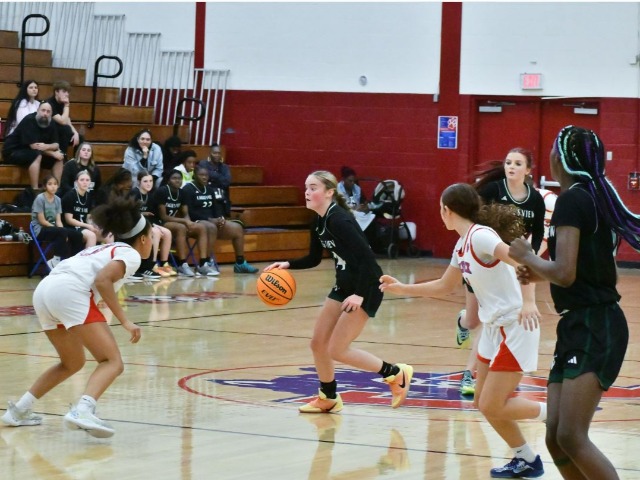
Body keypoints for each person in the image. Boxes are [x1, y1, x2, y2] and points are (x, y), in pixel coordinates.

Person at [380, 182, 547, 478]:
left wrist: (529, 301)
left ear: (447, 210)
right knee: (483, 402)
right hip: (493, 329)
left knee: (493, 404)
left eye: (440, 209)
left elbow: (524, 260)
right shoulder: (462, 244)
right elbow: (444, 286)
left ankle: (556, 414)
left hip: (514, 326)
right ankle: (527, 459)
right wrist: (403, 288)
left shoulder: (481, 236)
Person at [509, 125, 637, 479]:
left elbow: (565, 273)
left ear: (562, 158)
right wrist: (538, 272)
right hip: (579, 323)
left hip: (596, 325)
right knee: (555, 436)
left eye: (554, 148)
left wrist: (527, 256)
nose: (550, 154)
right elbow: (597, 270)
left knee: (570, 435)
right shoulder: (591, 198)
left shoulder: (573, 200)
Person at [264, 170, 413, 413]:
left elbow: (368, 260)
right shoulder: (318, 221)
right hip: (343, 286)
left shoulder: (339, 220)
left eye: (313, 188)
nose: (307, 192)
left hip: (366, 286)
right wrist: (288, 264)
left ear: (329, 192)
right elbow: (314, 258)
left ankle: (395, 373)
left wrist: (359, 295)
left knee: (338, 349)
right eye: (306, 187)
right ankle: (329, 397)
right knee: (318, 343)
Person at [1, 196, 150, 438]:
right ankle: (83, 410)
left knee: (72, 362)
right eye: (152, 237)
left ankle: (19, 410)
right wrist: (124, 320)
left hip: (45, 291)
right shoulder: (130, 254)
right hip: (69, 292)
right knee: (112, 362)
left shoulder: (101, 248)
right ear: (143, 239)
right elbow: (103, 280)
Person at [456, 148, 546, 396]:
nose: (511, 167)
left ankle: (470, 374)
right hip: (484, 260)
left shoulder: (535, 199)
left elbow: (538, 232)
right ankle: (463, 320)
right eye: (508, 162)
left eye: (517, 163)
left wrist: (531, 256)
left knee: (491, 320)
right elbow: (471, 218)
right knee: (473, 321)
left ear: (528, 170)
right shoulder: (492, 190)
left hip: (511, 264)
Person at [183, 165, 258, 274]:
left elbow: (215, 208)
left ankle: (240, 263)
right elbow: (189, 212)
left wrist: (220, 218)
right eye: (201, 175)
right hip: (196, 222)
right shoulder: (187, 189)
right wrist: (209, 219)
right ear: (195, 175)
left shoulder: (209, 189)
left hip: (211, 222)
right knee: (211, 227)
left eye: (206, 175)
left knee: (237, 228)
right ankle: (204, 263)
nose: (204, 177)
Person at [153, 169, 213, 277]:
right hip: (160, 223)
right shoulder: (162, 191)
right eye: (174, 178)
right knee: (181, 227)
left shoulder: (182, 193)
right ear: (168, 180)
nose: (178, 181)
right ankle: (182, 264)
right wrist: (184, 221)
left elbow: (185, 213)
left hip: (174, 223)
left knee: (201, 227)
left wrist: (189, 223)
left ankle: (203, 263)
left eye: (179, 178)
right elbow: (164, 217)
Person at [2, 101, 65, 191]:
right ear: (37, 110)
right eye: (43, 110)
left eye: (48, 111)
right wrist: (52, 153)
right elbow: (34, 146)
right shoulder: (29, 120)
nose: (45, 114)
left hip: (31, 151)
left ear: (51, 114)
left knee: (59, 158)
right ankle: (35, 190)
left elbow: (56, 144)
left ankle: (56, 190)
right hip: (13, 151)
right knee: (37, 155)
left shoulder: (51, 122)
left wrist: (46, 146)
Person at [31, 175, 84, 270]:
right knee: (62, 232)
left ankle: (74, 263)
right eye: (50, 184)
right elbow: (42, 221)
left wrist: (63, 231)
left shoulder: (58, 200)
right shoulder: (40, 198)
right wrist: (61, 231)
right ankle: (55, 261)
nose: (53, 186)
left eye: (55, 184)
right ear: (45, 186)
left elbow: (58, 221)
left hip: (54, 230)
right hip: (40, 230)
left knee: (78, 235)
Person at [130, 170, 175, 278]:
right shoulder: (134, 194)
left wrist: (156, 224)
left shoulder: (151, 195)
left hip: (147, 223)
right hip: (134, 225)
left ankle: (164, 263)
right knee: (155, 232)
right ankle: (152, 264)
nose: (149, 184)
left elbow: (153, 215)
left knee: (167, 232)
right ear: (139, 182)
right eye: (145, 181)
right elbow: (130, 213)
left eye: (150, 181)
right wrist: (142, 214)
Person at [61, 170, 109, 249]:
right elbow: (69, 220)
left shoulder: (89, 196)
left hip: (84, 226)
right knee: (91, 236)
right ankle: (87, 257)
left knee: (108, 234)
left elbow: (88, 217)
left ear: (90, 183)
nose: (85, 182)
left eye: (87, 180)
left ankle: (105, 257)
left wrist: (94, 225)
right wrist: (88, 226)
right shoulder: (70, 196)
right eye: (82, 180)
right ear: (76, 182)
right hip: (70, 227)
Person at [45, 80, 81, 156]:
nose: (67, 94)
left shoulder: (62, 103)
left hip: (61, 131)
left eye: (68, 92)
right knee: (66, 129)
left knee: (79, 138)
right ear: (56, 92)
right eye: (64, 91)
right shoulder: (49, 103)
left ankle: (77, 161)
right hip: (49, 132)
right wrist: (67, 105)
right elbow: (63, 122)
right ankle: (62, 156)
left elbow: (67, 121)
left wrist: (75, 132)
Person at [337, 166, 376, 234]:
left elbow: (364, 202)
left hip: (358, 213)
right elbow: (339, 206)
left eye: (354, 181)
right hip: (344, 213)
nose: (352, 183)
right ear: (344, 179)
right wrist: (354, 208)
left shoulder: (357, 189)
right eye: (350, 181)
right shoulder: (338, 189)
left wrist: (364, 207)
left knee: (371, 216)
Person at [198, 143, 231, 217]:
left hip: (221, 199)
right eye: (215, 153)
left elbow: (227, 182)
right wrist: (220, 177)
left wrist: (212, 176)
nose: (217, 155)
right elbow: (203, 178)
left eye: (219, 153)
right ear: (210, 153)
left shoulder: (225, 167)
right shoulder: (203, 164)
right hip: (207, 196)